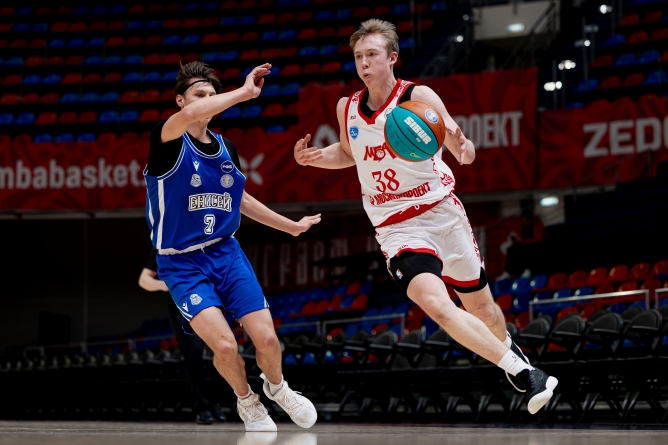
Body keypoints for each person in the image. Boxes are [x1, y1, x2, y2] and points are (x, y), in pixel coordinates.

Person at [293, 19, 558, 414]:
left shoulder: (418, 96)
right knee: (436, 304)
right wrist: (315, 159)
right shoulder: (346, 107)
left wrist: (464, 148)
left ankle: (511, 353)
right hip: (395, 226)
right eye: (358, 56)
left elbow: (458, 143)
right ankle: (525, 372)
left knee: (484, 312)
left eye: (371, 55)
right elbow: (349, 153)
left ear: (392, 58)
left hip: (441, 213)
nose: (363, 63)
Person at [144, 60, 320, 431]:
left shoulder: (226, 148)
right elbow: (190, 117)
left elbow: (240, 200)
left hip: (225, 253)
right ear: (180, 101)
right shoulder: (166, 139)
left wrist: (290, 227)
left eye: (212, 94)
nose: (207, 101)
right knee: (224, 346)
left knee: (267, 339)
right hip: (182, 264)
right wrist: (244, 93)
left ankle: (278, 388)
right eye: (199, 95)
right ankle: (247, 401)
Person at [139, 247, 226, 425]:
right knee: (193, 350)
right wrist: (164, 285)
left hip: (208, 298)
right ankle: (202, 406)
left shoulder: (204, 240)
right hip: (180, 302)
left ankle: (215, 402)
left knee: (220, 349)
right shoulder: (162, 244)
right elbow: (144, 279)